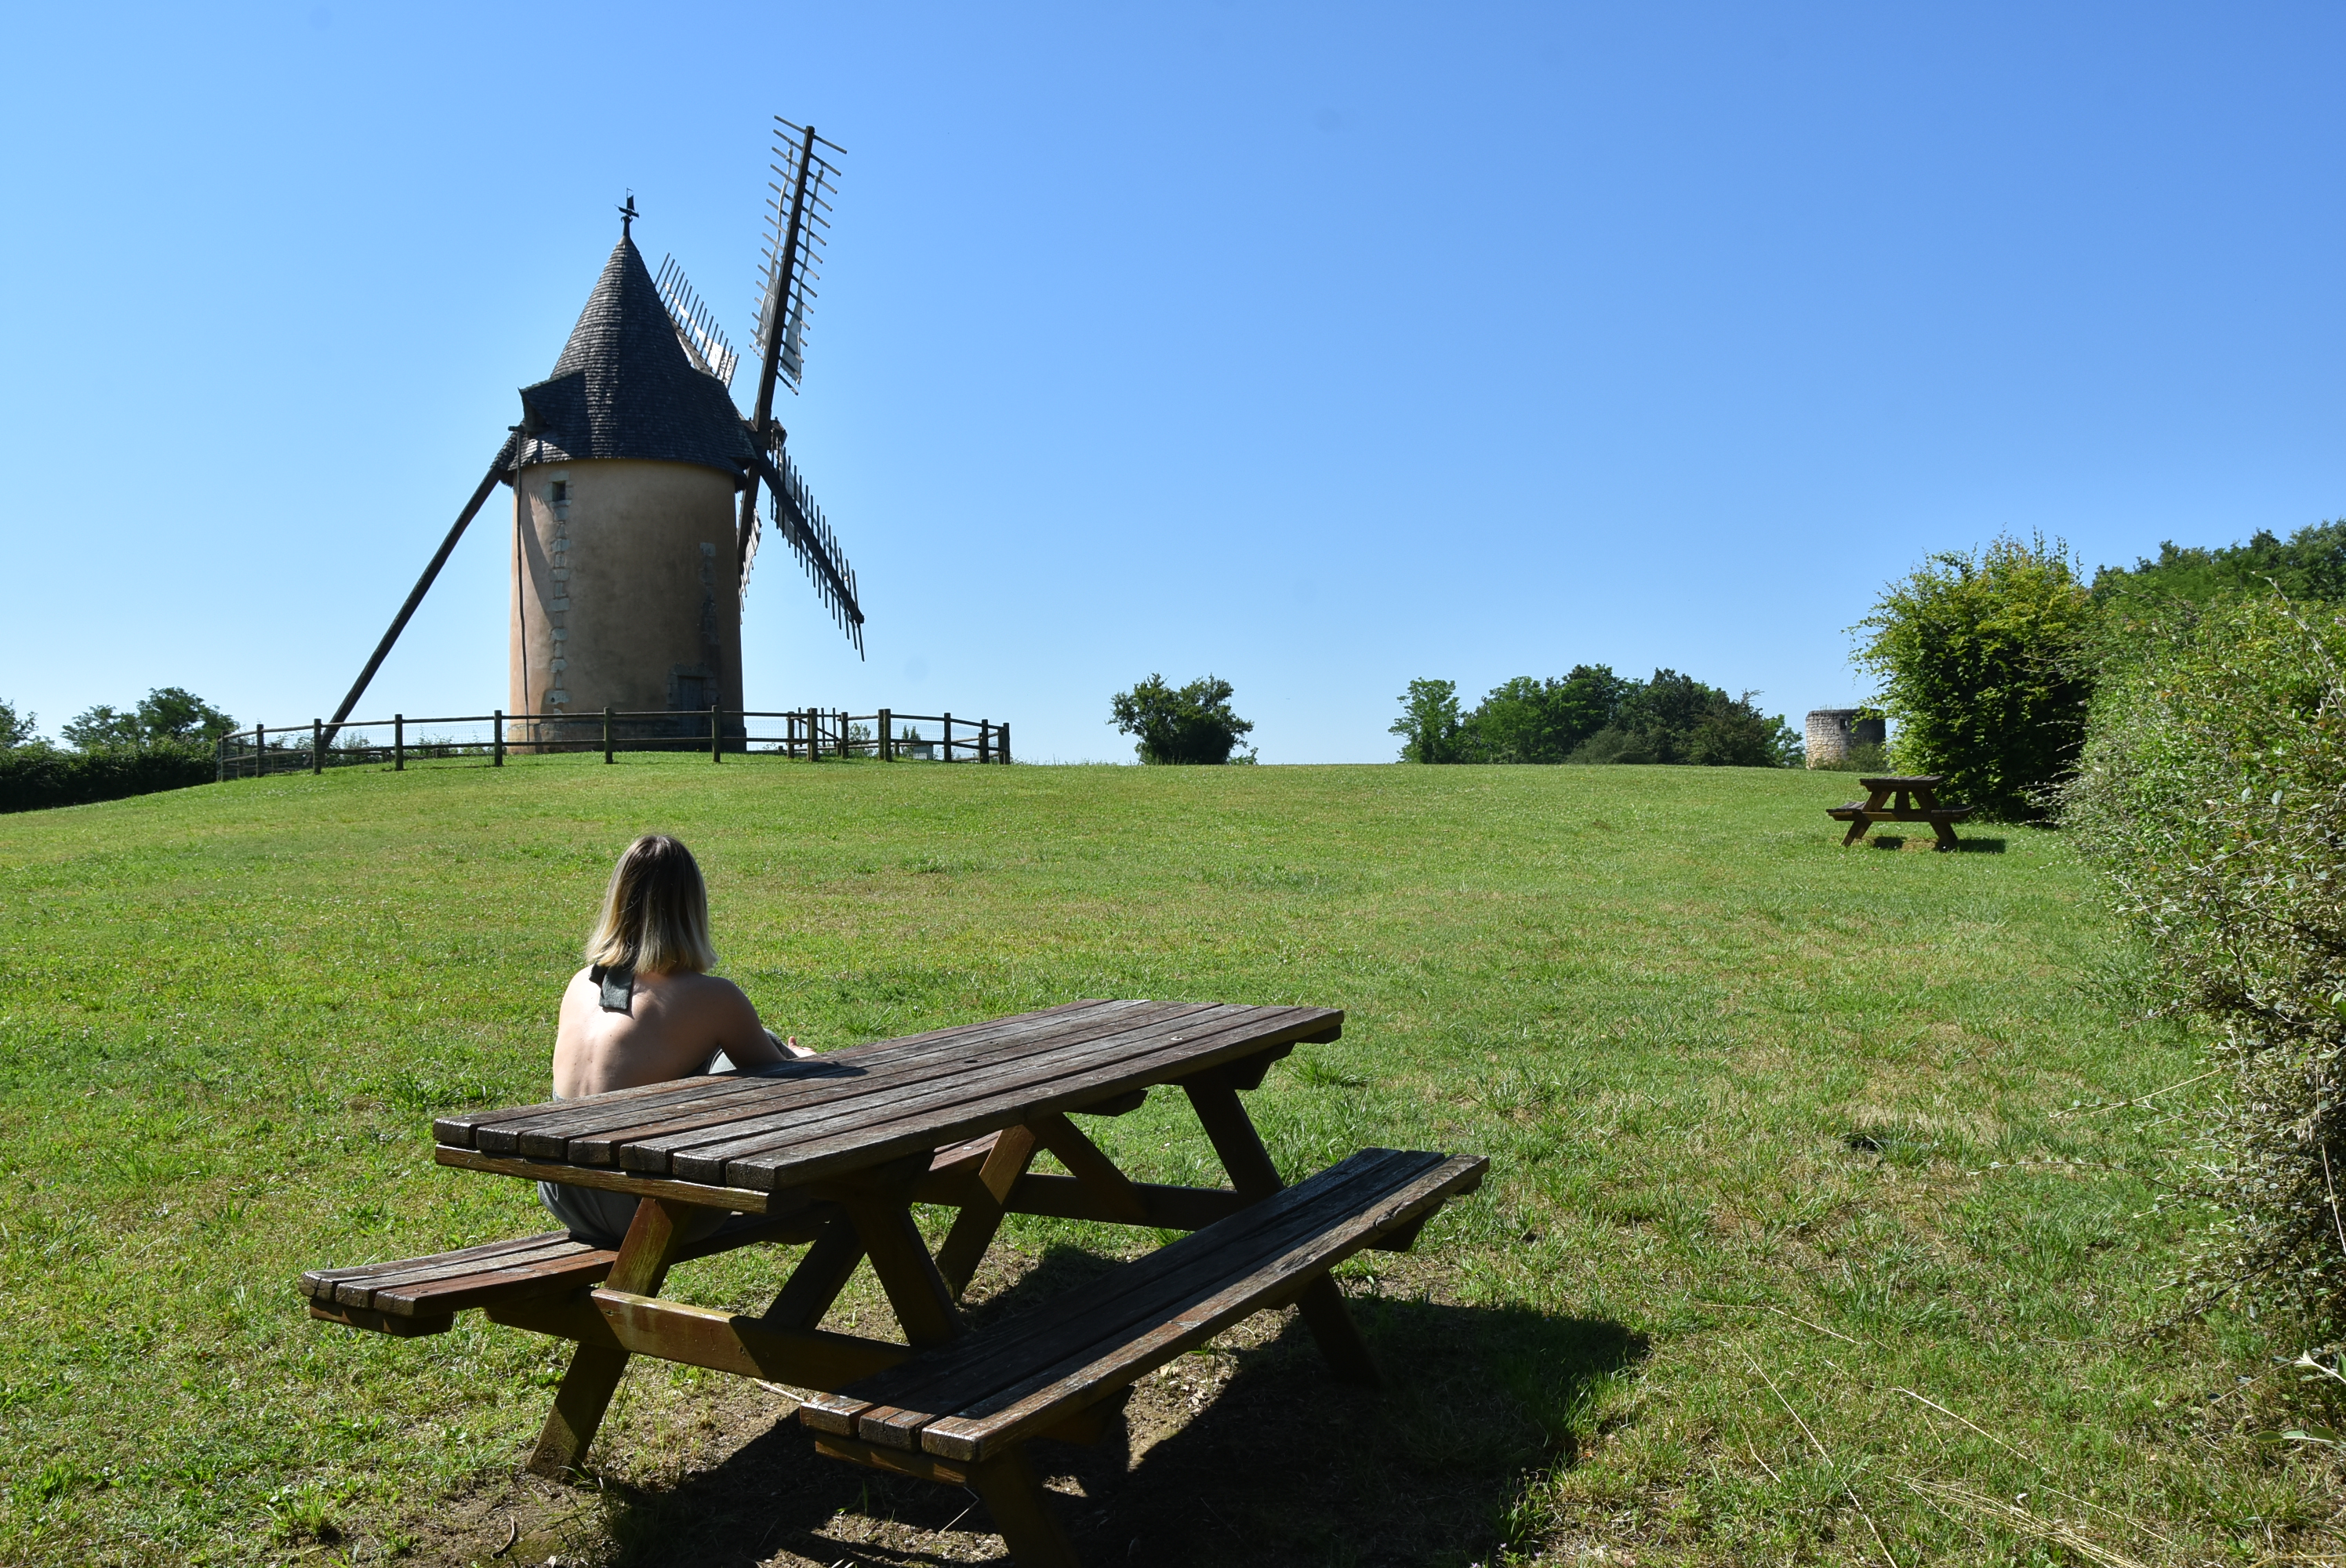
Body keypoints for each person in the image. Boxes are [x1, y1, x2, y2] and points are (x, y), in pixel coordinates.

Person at [538, 833, 808, 1245]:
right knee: (759, 1059)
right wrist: (803, 1062)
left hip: (562, 1194)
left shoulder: (580, 984)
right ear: (691, 908)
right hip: (647, 1207)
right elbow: (791, 1090)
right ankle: (803, 1206)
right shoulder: (713, 997)